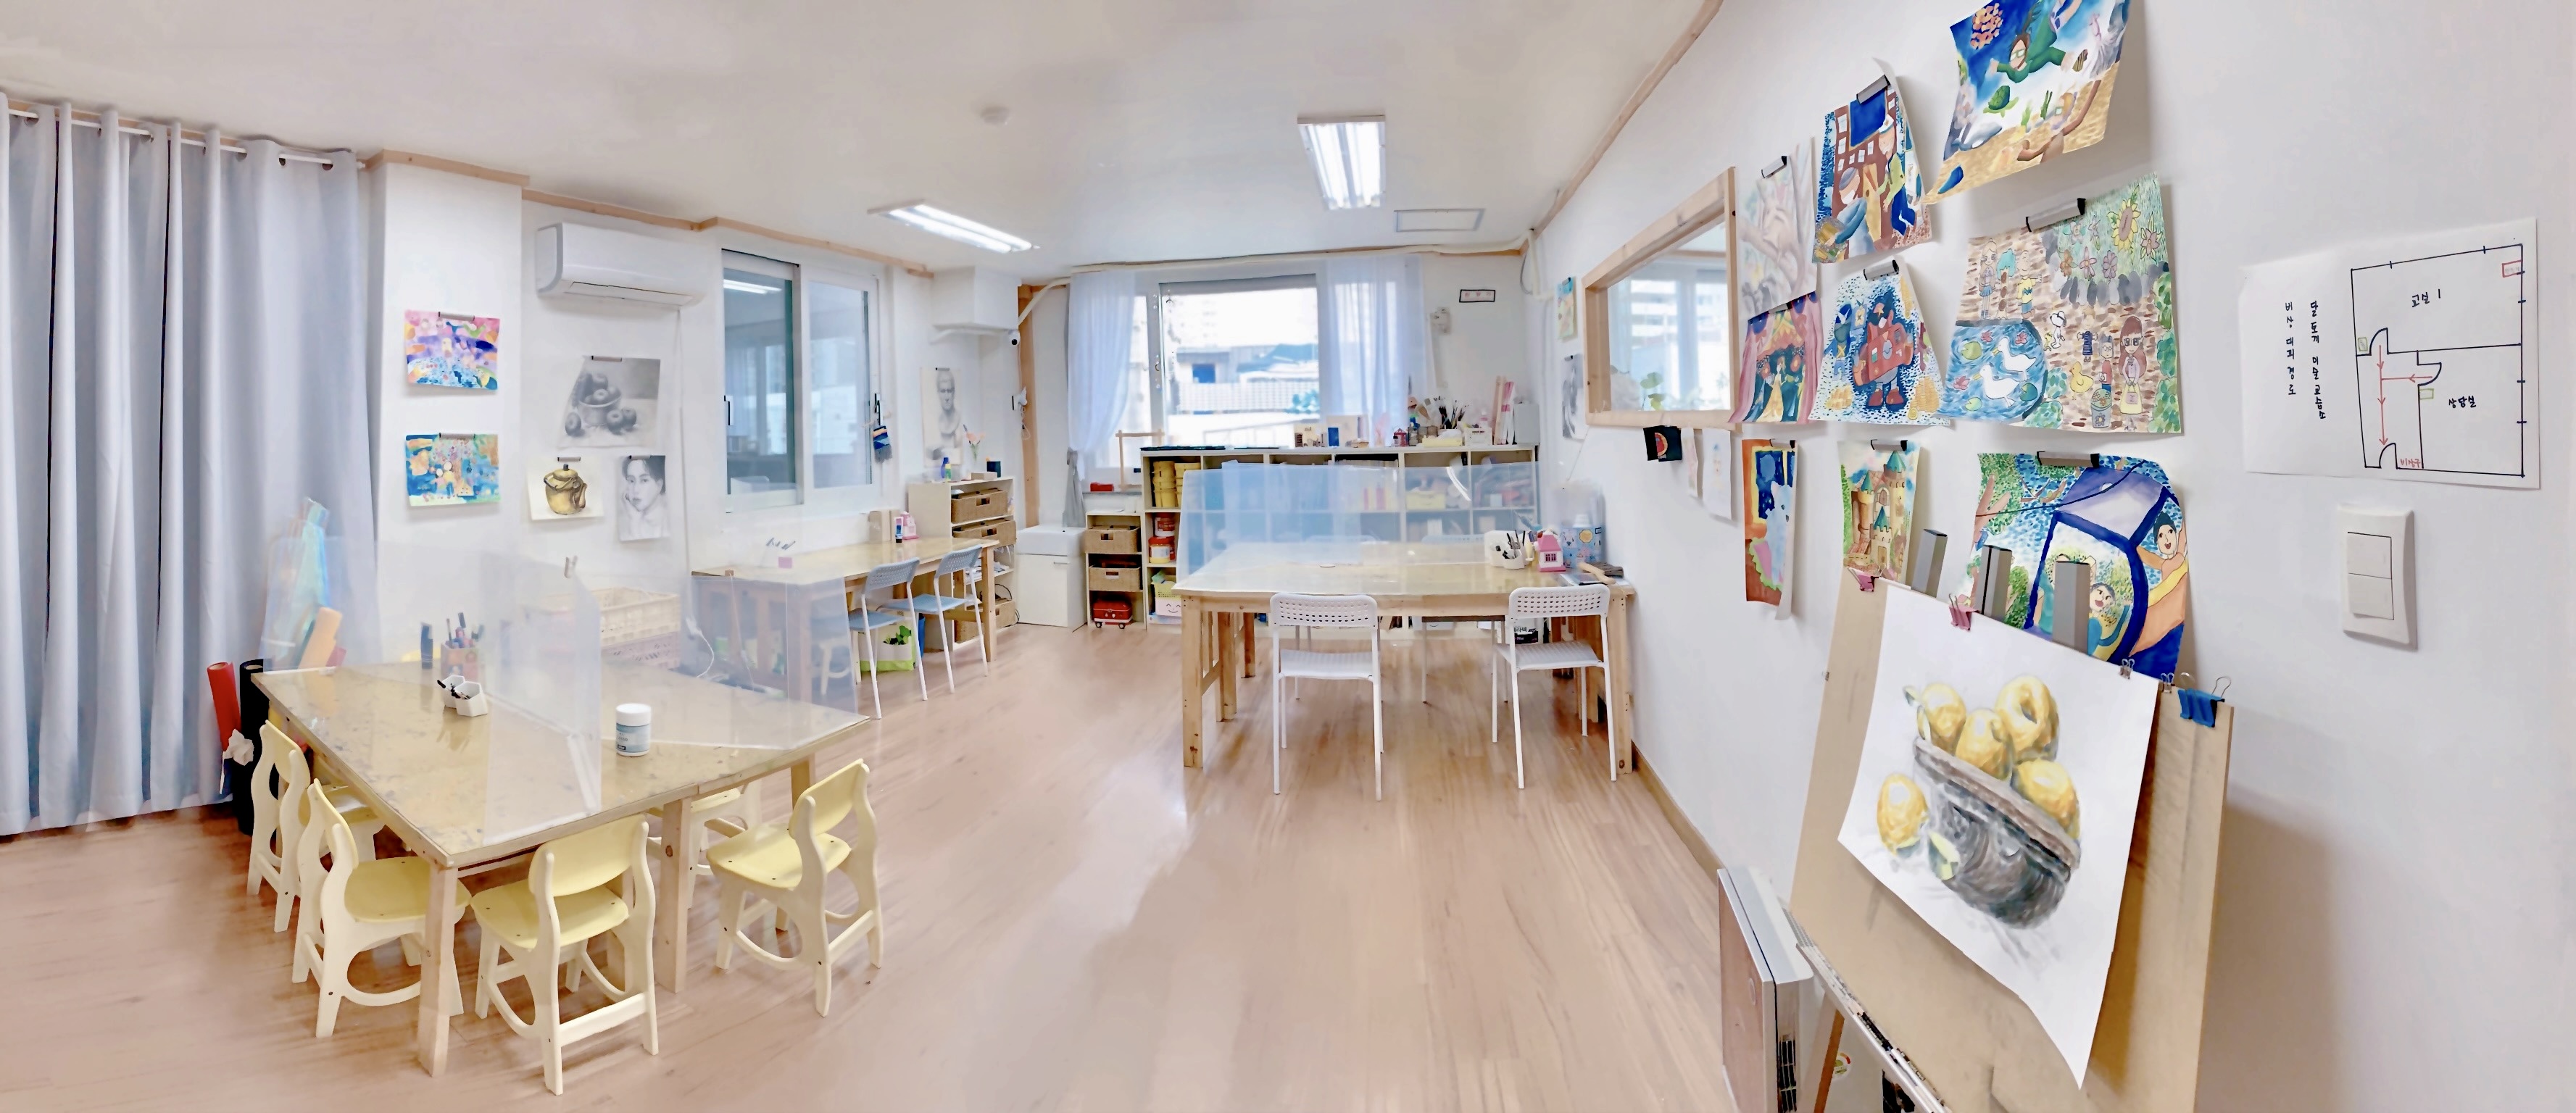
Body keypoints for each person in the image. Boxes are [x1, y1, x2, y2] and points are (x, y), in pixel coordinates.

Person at [620, 455, 669, 541]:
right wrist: (634, 520)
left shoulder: (668, 521)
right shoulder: (629, 520)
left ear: (659, 485)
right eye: (631, 481)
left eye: (644, 480)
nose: (635, 490)